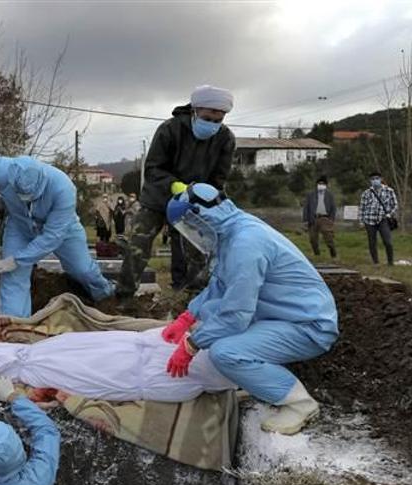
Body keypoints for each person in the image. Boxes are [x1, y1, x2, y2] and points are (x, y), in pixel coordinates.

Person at [161, 183, 339, 435]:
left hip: (308, 326)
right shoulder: (233, 231)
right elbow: (221, 284)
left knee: (224, 352)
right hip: (283, 316)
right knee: (215, 325)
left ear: (200, 216)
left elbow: (235, 314)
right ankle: (256, 378)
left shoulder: (246, 244)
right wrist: (188, 316)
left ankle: (299, 404)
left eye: (189, 226)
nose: (192, 233)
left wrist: (191, 345)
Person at [0, 326, 236, 403]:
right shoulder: (191, 378)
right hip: (113, 353)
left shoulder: (190, 383)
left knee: (29, 363)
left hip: (112, 365)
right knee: (30, 361)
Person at [118, 85, 235, 295]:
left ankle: (192, 299)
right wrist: (174, 185)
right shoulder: (170, 130)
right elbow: (153, 168)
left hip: (193, 203)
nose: (212, 125)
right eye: (207, 119)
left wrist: (209, 197)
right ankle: (124, 295)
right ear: (195, 111)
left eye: (218, 121)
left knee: (198, 251)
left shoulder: (225, 139)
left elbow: (219, 179)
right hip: (158, 198)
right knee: (138, 245)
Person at [0, 152, 115, 317]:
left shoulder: (64, 189)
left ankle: (105, 295)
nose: (26, 201)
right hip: (20, 225)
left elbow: (52, 237)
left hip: (62, 229)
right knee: (12, 276)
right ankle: (14, 325)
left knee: (82, 269)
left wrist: (18, 259)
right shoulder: (0, 170)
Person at [358, 172, 398, 266]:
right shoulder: (366, 193)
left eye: (377, 178)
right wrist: (361, 221)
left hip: (383, 219)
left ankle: (390, 262)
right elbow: (362, 208)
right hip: (369, 220)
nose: (375, 181)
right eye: (372, 179)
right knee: (372, 242)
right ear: (370, 181)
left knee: (388, 241)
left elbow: (395, 205)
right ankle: (376, 262)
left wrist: (390, 214)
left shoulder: (389, 191)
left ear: (381, 179)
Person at [302, 175, 337, 258]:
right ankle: (317, 254)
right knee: (313, 238)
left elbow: (333, 208)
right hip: (313, 218)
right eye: (319, 183)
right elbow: (306, 207)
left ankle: (333, 251)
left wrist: (331, 219)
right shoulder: (311, 195)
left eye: (323, 184)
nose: (321, 185)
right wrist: (305, 220)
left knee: (328, 236)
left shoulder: (329, 195)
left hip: (325, 218)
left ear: (326, 185)